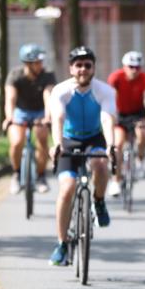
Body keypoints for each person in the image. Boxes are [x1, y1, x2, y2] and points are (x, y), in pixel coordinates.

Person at [47, 46, 118, 266]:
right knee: (67, 188)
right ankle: (61, 243)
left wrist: (112, 145)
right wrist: (58, 144)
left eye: (88, 65)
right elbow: (57, 118)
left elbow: (107, 119)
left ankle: (98, 201)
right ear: (70, 68)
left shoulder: (105, 90)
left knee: (100, 165)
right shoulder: (60, 91)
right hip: (69, 140)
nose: (83, 69)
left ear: (94, 68)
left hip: (95, 138)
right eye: (78, 65)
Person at [3, 44, 57, 194]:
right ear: (28, 63)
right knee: (16, 142)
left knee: (42, 138)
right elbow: (10, 99)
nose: (41, 65)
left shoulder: (48, 75)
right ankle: (16, 173)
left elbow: (48, 96)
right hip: (20, 112)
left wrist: (47, 116)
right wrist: (9, 117)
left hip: (40, 112)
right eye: (37, 62)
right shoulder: (15, 75)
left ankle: (41, 176)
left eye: (41, 61)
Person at [106, 50, 145, 196]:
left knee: (144, 133)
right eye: (131, 67)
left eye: (137, 67)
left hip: (137, 114)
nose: (134, 70)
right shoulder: (116, 77)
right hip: (119, 114)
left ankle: (139, 160)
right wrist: (110, 116)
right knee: (117, 145)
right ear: (124, 66)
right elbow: (110, 96)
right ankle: (115, 180)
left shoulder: (144, 78)